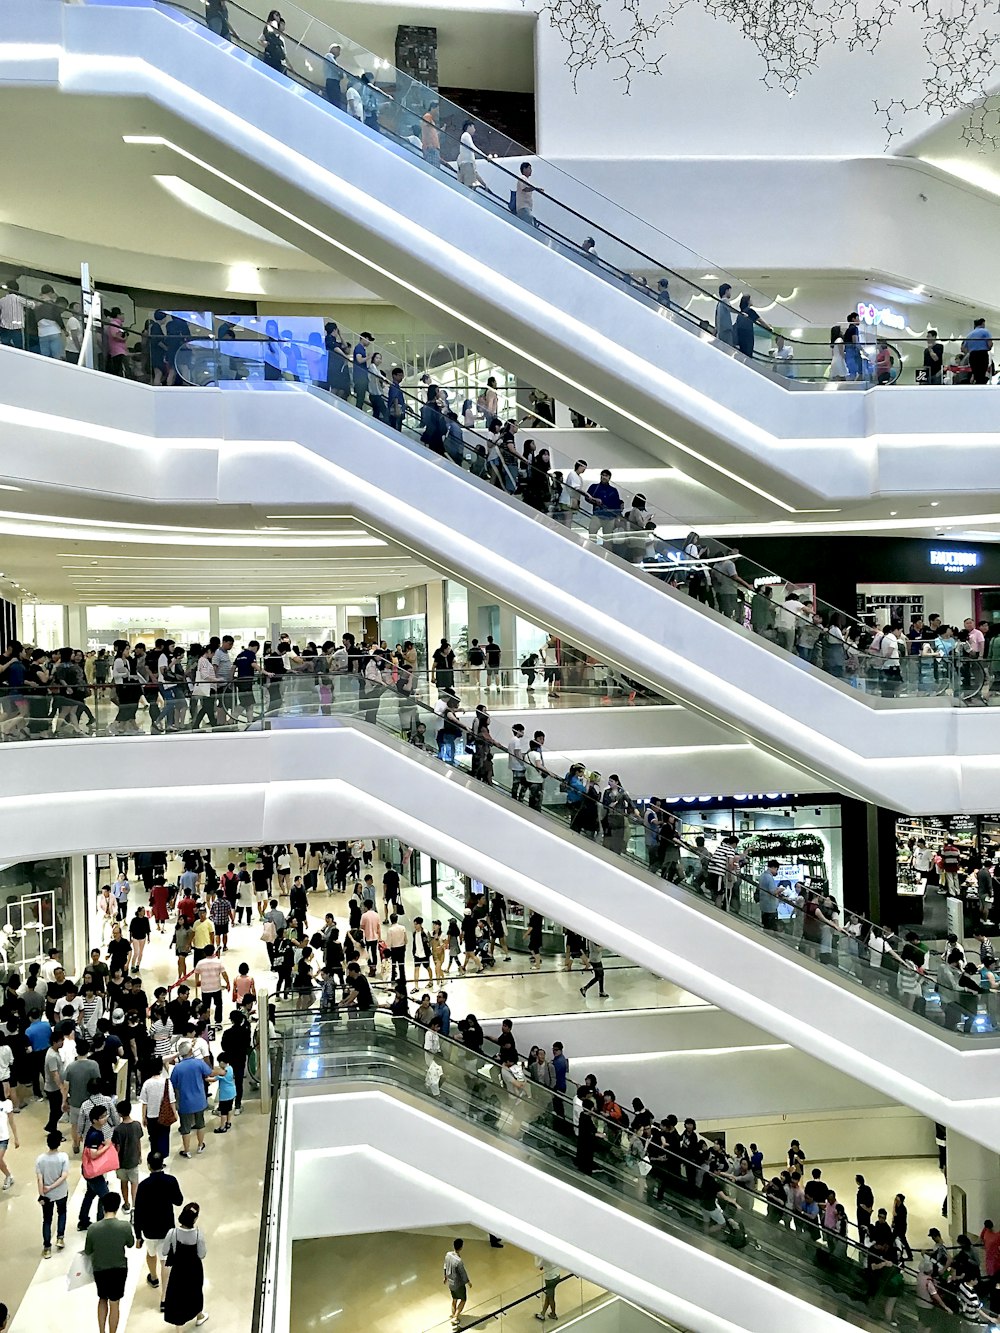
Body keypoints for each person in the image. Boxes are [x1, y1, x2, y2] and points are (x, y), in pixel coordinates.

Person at [133, 1150, 183, 1293]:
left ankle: (153, 1277)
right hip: (167, 1226)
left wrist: (138, 1235)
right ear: (162, 1164)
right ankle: (165, 1294)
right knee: (165, 1260)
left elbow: (138, 1211)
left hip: (149, 1228)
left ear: (148, 1165)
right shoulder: (171, 1181)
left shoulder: (143, 1186)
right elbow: (179, 1201)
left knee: (151, 1252)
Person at [84, 1191, 133, 1333]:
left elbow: (88, 1251)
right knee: (115, 1303)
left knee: (102, 1299)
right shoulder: (124, 1226)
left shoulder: (93, 1229)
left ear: (103, 1207)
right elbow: (130, 1244)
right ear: (117, 1207)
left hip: (100, 1269)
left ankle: (101, 1331)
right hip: (119, 1269)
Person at [161, 1201, 209, 1328]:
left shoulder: (172, 1233)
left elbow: (164, 1251)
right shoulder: (198, 1235)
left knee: (178, 1297)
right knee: (196, 1292)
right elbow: (202, 1254)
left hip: (178, 1270)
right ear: (195, 1218)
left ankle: (179, 1327)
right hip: (194, 1270)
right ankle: (199, 1315)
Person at [169, 1041, 215, 1159]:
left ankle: (187, 1150)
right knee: (200, 1124)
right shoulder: (198, 1063)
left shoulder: (177, 1068)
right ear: (190, 1051)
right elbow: (209, 1072)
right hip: (199, 1100)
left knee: (185, 1128)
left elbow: (173, 1085)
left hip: (185, 1102)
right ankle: (200, 1145)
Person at [36, 1129, 69, 1258]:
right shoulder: (63, 1157)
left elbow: (39, 1179)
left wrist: (42, 1193)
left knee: (47, 1220)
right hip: (61, 1193)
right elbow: (64, 1176)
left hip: (47, 1196)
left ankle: (47, 1248)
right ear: (59, 1143)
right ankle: (60, 1238)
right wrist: (52, 1187)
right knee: (62, 1213)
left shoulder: (40, 1159)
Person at [111, 1099, 143, 1214]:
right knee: (135, 1183)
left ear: (119, 1113)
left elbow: (117, 1147)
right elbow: (138, 1142)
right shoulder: (136, 1125)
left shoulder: (118, 1130)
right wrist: (139, 1155)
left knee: (123, 1183)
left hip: (121, 1163)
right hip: (133, 1160)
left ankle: (126, 1203)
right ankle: (135, 1204)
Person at [443, 1237, 471, 1329]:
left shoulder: (448, 1254)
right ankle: (455, 1317)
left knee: (454, 1299)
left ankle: (453, 1313)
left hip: (450, 1283)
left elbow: (445, 1266)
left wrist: (445, 1277)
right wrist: (468, 1282)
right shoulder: (458, 1261)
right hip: (458, 1284)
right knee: (463, 1299)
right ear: (461, 1247)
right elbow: (463, 1273)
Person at [962, 317, 993, 385]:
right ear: (982, 324)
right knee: (982, 373)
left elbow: (963, 348)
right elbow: (989, 344)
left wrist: (970, 350)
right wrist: (988, 348)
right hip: (982, 354)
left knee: (976, 373)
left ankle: (977, 387)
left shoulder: (969, 334)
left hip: (973, 355)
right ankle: (981, 388)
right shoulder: (985, 331)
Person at [535, 1256, 561, 1321]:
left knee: (551, 1297)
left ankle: (553, 1314)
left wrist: (536, 1255)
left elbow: (538, 1265)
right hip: (557, 1275)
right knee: (548, 1295)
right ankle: (542, 1313)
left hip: (550, 1279)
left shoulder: (544, 1256)